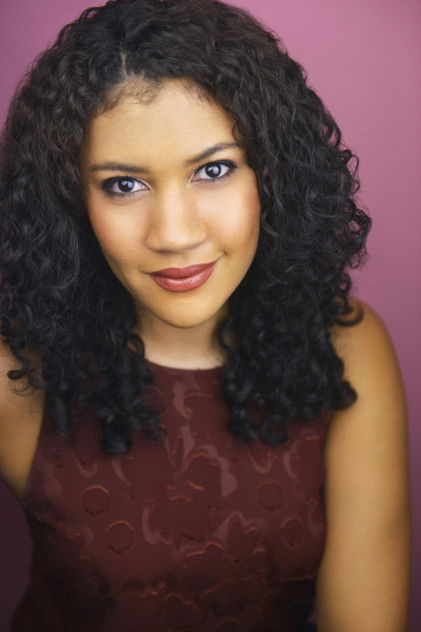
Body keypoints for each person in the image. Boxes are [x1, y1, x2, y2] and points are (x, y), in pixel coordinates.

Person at [0, 0, 411, 630]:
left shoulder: (346, 347)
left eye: (213, 170)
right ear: (71, 198)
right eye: (124, 184)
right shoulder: (16, 374)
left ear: (272, 174)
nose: (174, 234)